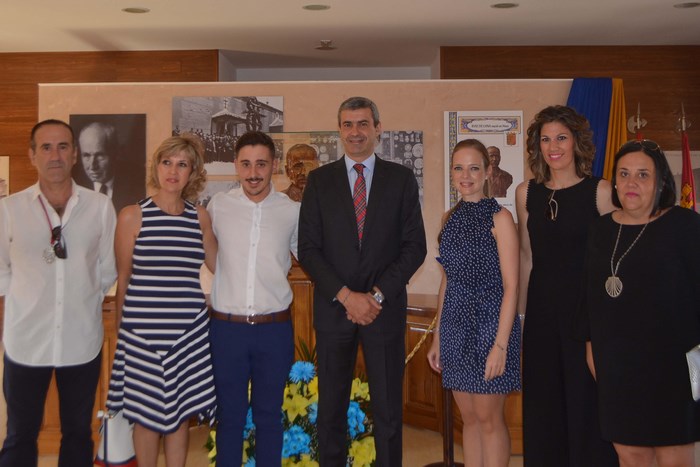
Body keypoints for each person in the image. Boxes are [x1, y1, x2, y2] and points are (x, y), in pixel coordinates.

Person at [298, 96, 427, 466]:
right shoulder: (319, 182)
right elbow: (308, 249)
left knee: (388, 414)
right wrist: (346, 296)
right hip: (334, 311)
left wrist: (375, 295)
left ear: (377, 128)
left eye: (363, 124)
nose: (355, 132)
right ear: (339, 130)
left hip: (383, 313)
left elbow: (413, 247)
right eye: (348, 124)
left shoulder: (400, 179)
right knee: (331, 412)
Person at [575, 140, 700, 467]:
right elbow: (588, 297)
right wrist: (592, 349)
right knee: (631, 456)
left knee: (674, 458)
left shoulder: (685, 226)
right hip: (617, 367)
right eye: (624, 174)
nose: (631, 183)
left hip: (674, 367)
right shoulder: (600, 230)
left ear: (660, 182)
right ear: (614, 181)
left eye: (643, 175)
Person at [0, 119, 117, 466]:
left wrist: (84, 301)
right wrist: (25, 302)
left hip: (81, 342)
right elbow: (1, 270)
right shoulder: (9, 209)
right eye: (46, 147)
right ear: (32, 155)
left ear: (75, 155)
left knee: (79, 434)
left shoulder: (99, 208)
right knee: (19, 434)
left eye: (63, 146)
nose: (55, 155)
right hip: (25, 343)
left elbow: (108, 268)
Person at [514, 105, 618, 467]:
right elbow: (526, 258)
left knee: (585, 404)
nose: (552, 146)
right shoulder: (525, 192)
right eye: (545, 139)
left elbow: (614, 261)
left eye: (561, 137)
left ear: (577, 142)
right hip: (542, 315)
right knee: (545, 406)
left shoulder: (601, 192)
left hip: (585, 317)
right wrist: (523, 318)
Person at [106, 134, 217, 467]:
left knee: (180, 414)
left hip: (188, 332)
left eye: (182, 164)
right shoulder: (131, 216)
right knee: (145, 416)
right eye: (167, 162)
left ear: (192, 172)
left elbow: (221, 266)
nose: (173, 170)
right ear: (156, 167)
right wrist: (121, 332)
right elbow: (123, 279)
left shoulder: (200, 218)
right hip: (141, 334)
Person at [207, 131, 299, 466]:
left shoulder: (291, 211)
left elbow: (313, 256)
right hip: (226, 330)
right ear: (236, 166)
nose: (253, 173)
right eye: (245, 164)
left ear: (274, 166)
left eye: (261, 164)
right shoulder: (219, 206)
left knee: (269, 417)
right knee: (229, 417)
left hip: (274, 330)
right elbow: (208, 252)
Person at [427, 139, 521, 467]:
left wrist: (501, 345)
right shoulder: (448, 218)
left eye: (473, 168)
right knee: (468, 419)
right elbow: (447, 280)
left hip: (490, 327)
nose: (465, 175)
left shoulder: (501, 218)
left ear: (487, 172)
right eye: (458, 168)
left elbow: (512, 287)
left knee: (489, 418)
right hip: (455, 328)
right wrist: (438, 336)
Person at [76, 121, 145, 212]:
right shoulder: (73, 182)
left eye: (100, 155)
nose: (92, 166)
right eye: (86, 156)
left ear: (115, 153)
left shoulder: (139, 182)